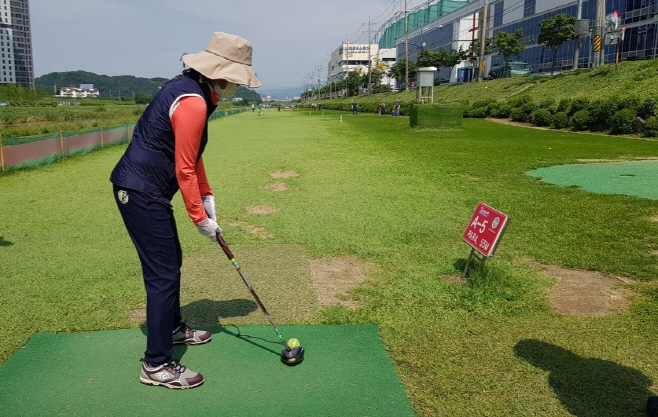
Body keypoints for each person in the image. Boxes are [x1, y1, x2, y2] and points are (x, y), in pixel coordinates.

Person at [110, 32, 260, 389]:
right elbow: (184, 169)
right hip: (139, 189)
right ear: (220, 75)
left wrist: (206, 196)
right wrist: (200, 218)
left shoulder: (192, 88)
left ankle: (174, 329)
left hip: (148, 188)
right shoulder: (192, 101)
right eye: (236, 80)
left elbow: (192, 155)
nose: (236, 86)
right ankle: (156, 364)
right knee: (162, 274)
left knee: (170, 261)